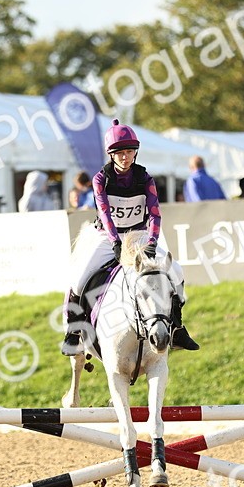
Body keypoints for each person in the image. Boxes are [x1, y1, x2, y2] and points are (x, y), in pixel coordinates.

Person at [61, 119, 200, 355]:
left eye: (129, 152)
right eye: (120, 153)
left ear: (135, 152)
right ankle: (74, 333)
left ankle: (177, 327)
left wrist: (152, 242)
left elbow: (154, 213)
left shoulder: (145, 179)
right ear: (111, 155)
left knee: (176, 270)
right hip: (107, 236)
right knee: (80, 278)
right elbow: (105, 213)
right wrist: (115, 242)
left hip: (139, 234)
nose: (125, 157)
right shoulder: (100, 179)